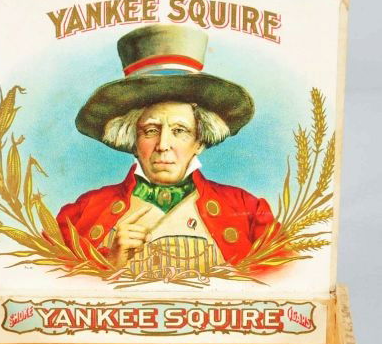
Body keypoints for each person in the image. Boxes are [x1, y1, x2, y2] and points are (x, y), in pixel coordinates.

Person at [57, 25, 276, 274]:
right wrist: (109, 264)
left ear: (200, 141)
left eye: (180, 131)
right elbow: (43, 277)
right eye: (150, 130)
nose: (163, 145)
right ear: (132, 140)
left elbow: (283, 278)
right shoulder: (81, 214)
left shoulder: (249, 211)